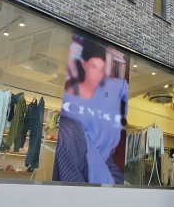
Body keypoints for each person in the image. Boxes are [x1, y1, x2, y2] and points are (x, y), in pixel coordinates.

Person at [53, 37, 128, 184]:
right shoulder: (69, 98)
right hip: (78, 165)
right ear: (83, 64)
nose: (98, 75)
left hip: (103, 164)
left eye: (101, 69)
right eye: (94, 67)